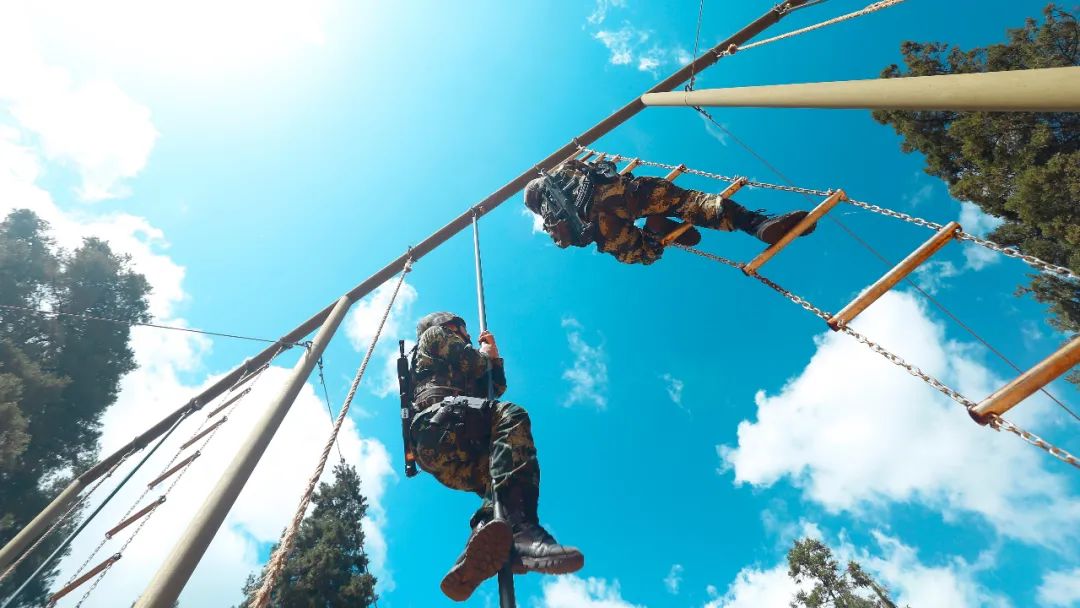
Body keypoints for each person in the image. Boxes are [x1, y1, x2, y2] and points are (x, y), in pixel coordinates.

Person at [409, 312, 583, 602]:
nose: (465, 334)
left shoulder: (450, 364)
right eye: (461, 329)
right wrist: (485, 354)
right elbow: (477, 365)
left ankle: (480, 542)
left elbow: (494, 387)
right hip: (442, 424)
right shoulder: (433, 337)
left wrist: (495, 358)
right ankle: (521, 532)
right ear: (448, 326)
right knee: (512, 415)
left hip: (452, 448)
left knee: (501, 476)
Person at [523, 158, 818, 265]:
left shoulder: (548, 213)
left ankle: (652, 232)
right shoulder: (562, 169)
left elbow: (566, 240)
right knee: (684, 201)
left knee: (637, 252)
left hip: (597, 229)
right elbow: (595, 168)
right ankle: (756, 223)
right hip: (615, 193)